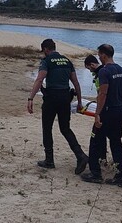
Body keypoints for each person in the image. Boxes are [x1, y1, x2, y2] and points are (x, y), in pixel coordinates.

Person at [27, 38, 88, 175]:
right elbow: (76, 83)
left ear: (46, 49)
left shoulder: (46, 61)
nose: (44, 53)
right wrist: (79, 101)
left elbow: (40, 79)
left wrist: (31, 97)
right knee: (65, 129)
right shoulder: (67, 61)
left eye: (43, 51)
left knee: (47, 128)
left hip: (51, 98)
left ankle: (49, 160)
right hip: (65, 98)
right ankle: (81, 156)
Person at [81, 44, 122, 188]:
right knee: (116, 143)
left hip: (108, 111)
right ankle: (120, 176)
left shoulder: (105, 72)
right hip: (120, 110)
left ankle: (95, 173)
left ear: (103, 55)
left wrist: (97, 114)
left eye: (99, 55)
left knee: (95, 140)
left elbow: (103, 93)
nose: (99, 57)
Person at [84, 55, 107, 162]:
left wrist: (97, 111)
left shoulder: (100, 74)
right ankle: (103, 157)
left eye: (89, 68)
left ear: (92, 65)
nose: (89, 71)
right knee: (105, 133)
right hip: (113, 107)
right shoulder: (106, 70)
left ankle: (98, 159)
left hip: (103, 109)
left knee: (96, 134)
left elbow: (101, 93)